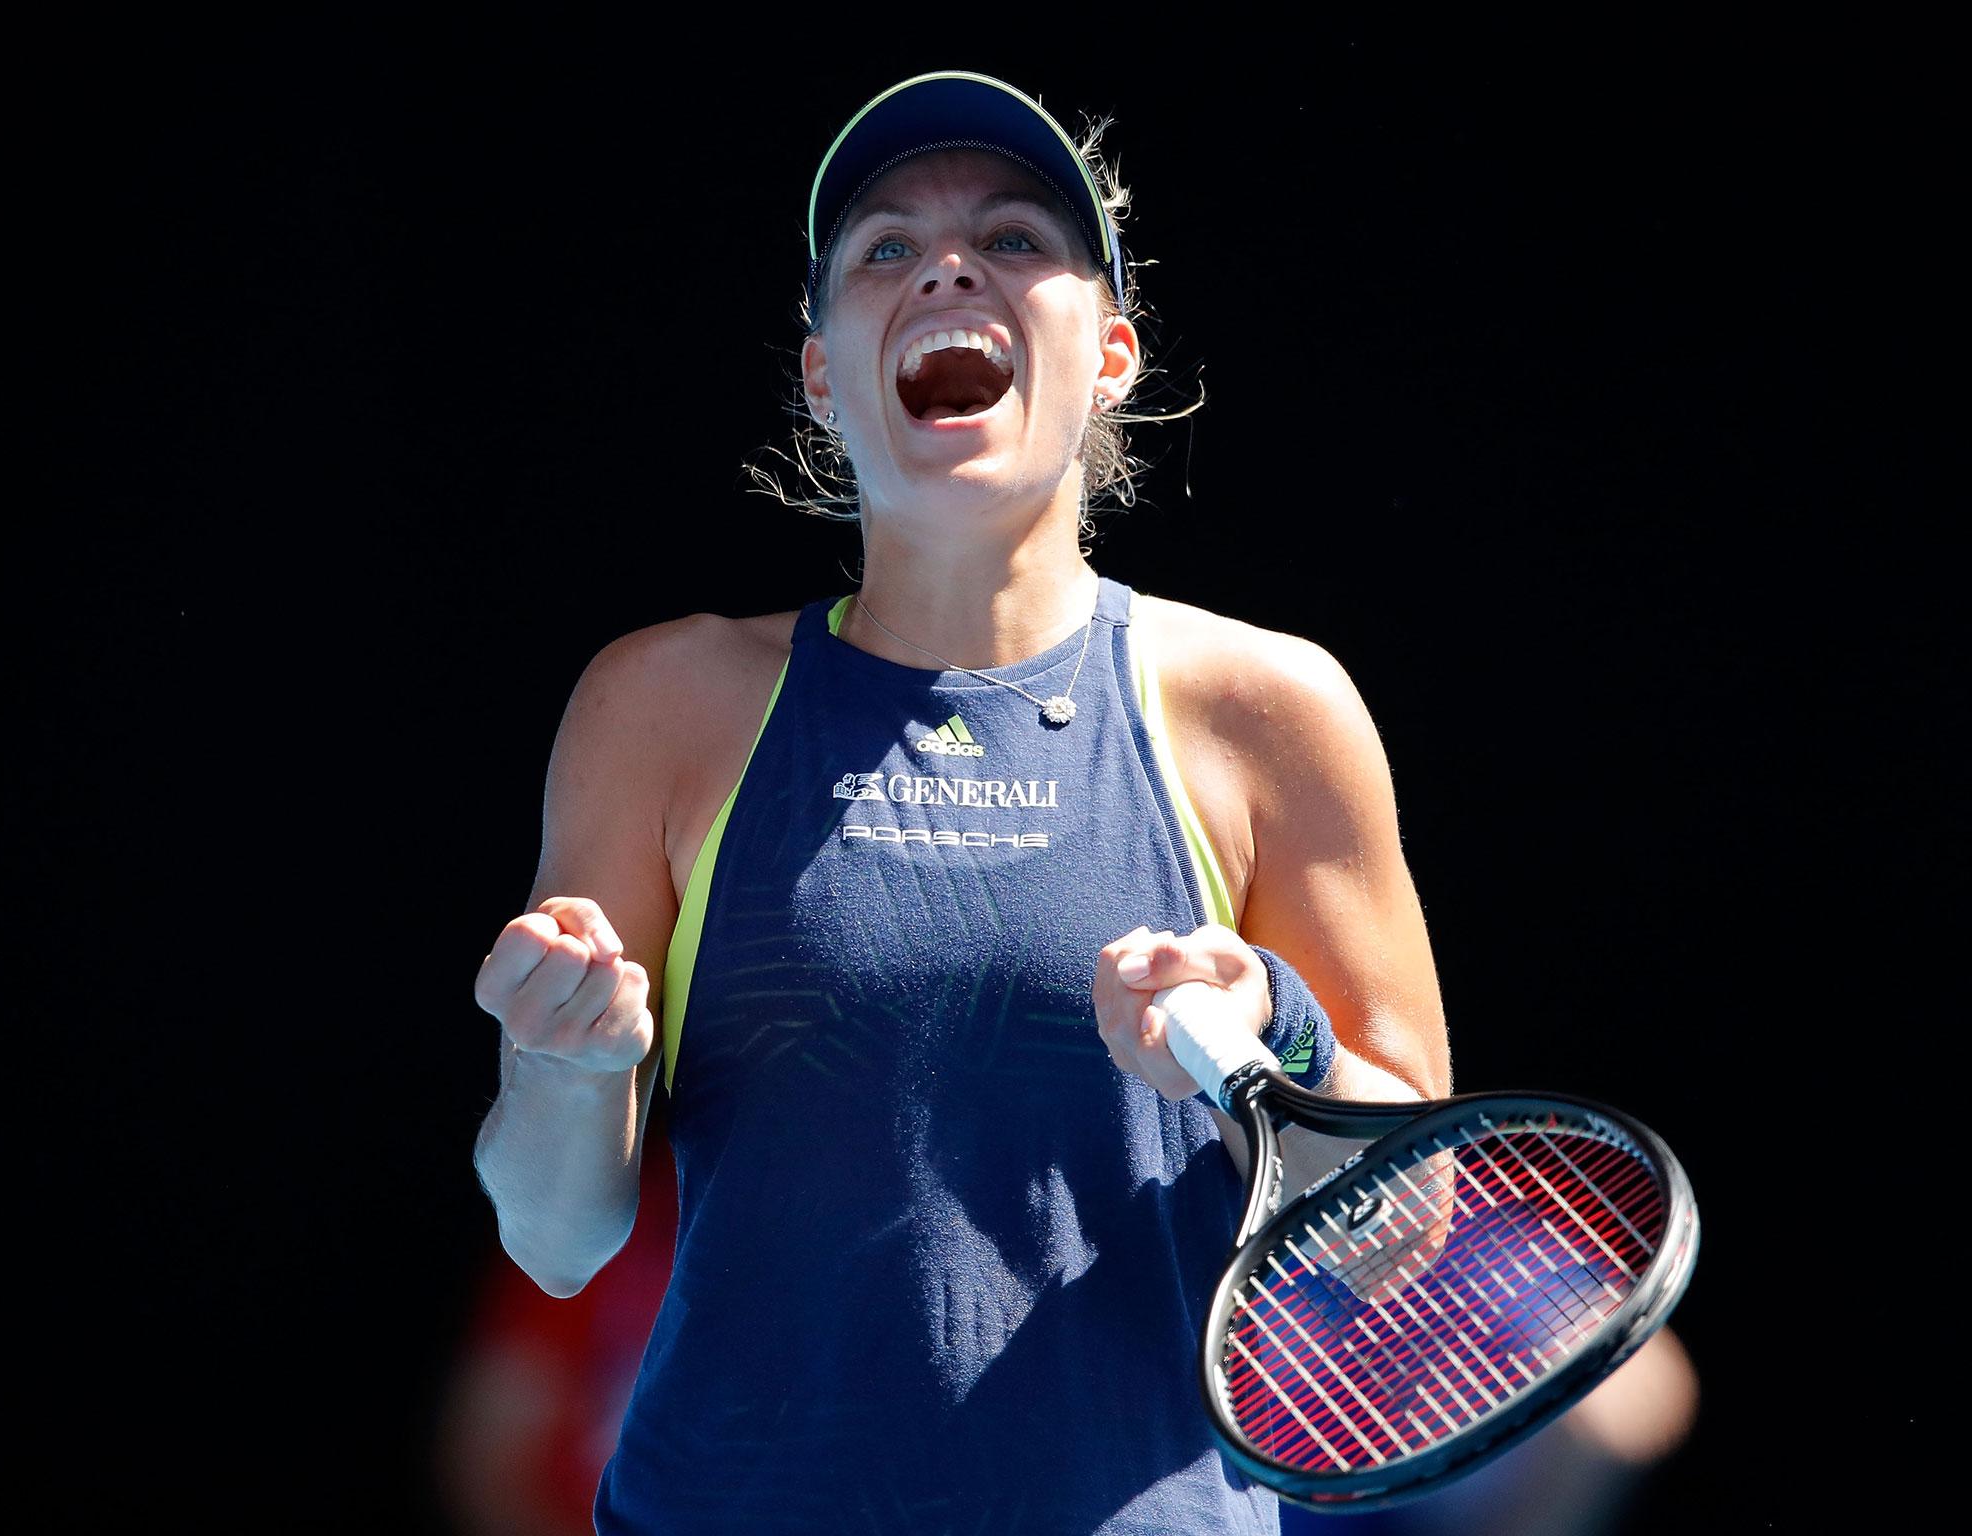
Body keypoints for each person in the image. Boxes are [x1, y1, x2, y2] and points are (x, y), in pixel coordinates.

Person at [470, 71, 1449, 1534]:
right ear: (821, 374)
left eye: (1014, 237)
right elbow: (555, 1240)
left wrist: (1280, 1025)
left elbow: (1415, 1230)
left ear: (1111, 354)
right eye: (885, 249)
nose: (947, 264)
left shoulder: (1269, 709)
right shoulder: (660, 704)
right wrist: (561, 1063)